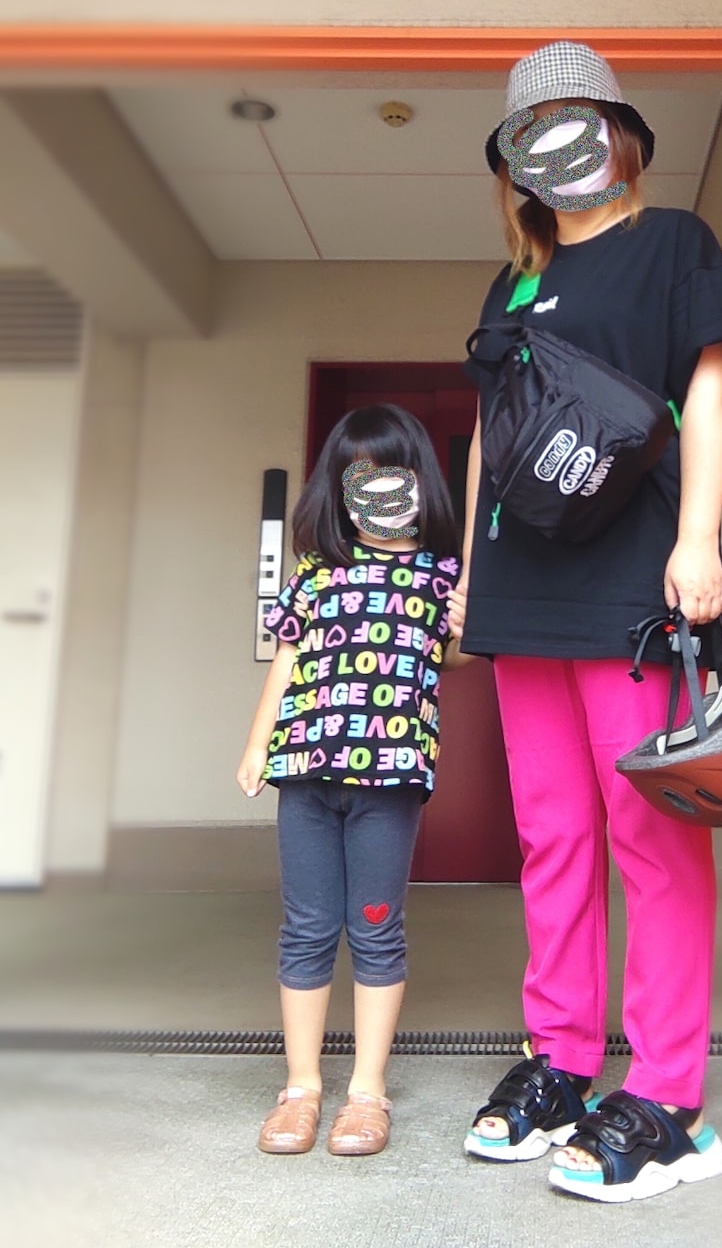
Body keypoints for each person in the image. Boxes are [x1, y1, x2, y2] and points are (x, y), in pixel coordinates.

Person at [447, 41, 722, 1203]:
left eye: (577, 121)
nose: (558, 147)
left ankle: (670, 1097)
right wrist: (470, 569)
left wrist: (697, 537)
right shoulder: (512, 282)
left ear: (619, 134)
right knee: (553, 834)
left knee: (650, 836)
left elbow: (707, 388)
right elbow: (493, 433)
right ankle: (564, 1058)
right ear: (516, 163)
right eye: (534, 132)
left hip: (633, 585)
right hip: (522, 588)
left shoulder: (674, 244)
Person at [237, 403, 472, 1158]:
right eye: (360, 477)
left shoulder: (439, 575)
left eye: (392, 476)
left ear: (420, 485)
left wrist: (468, 624)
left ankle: (367, 1091)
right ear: (338, 490)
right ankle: (301, 1087)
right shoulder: (315, 574)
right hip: (305, 774)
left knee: (376, 927)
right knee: (306, 927)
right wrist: (257, 745)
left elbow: (455, 656)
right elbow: (287, 661)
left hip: (390, 781)